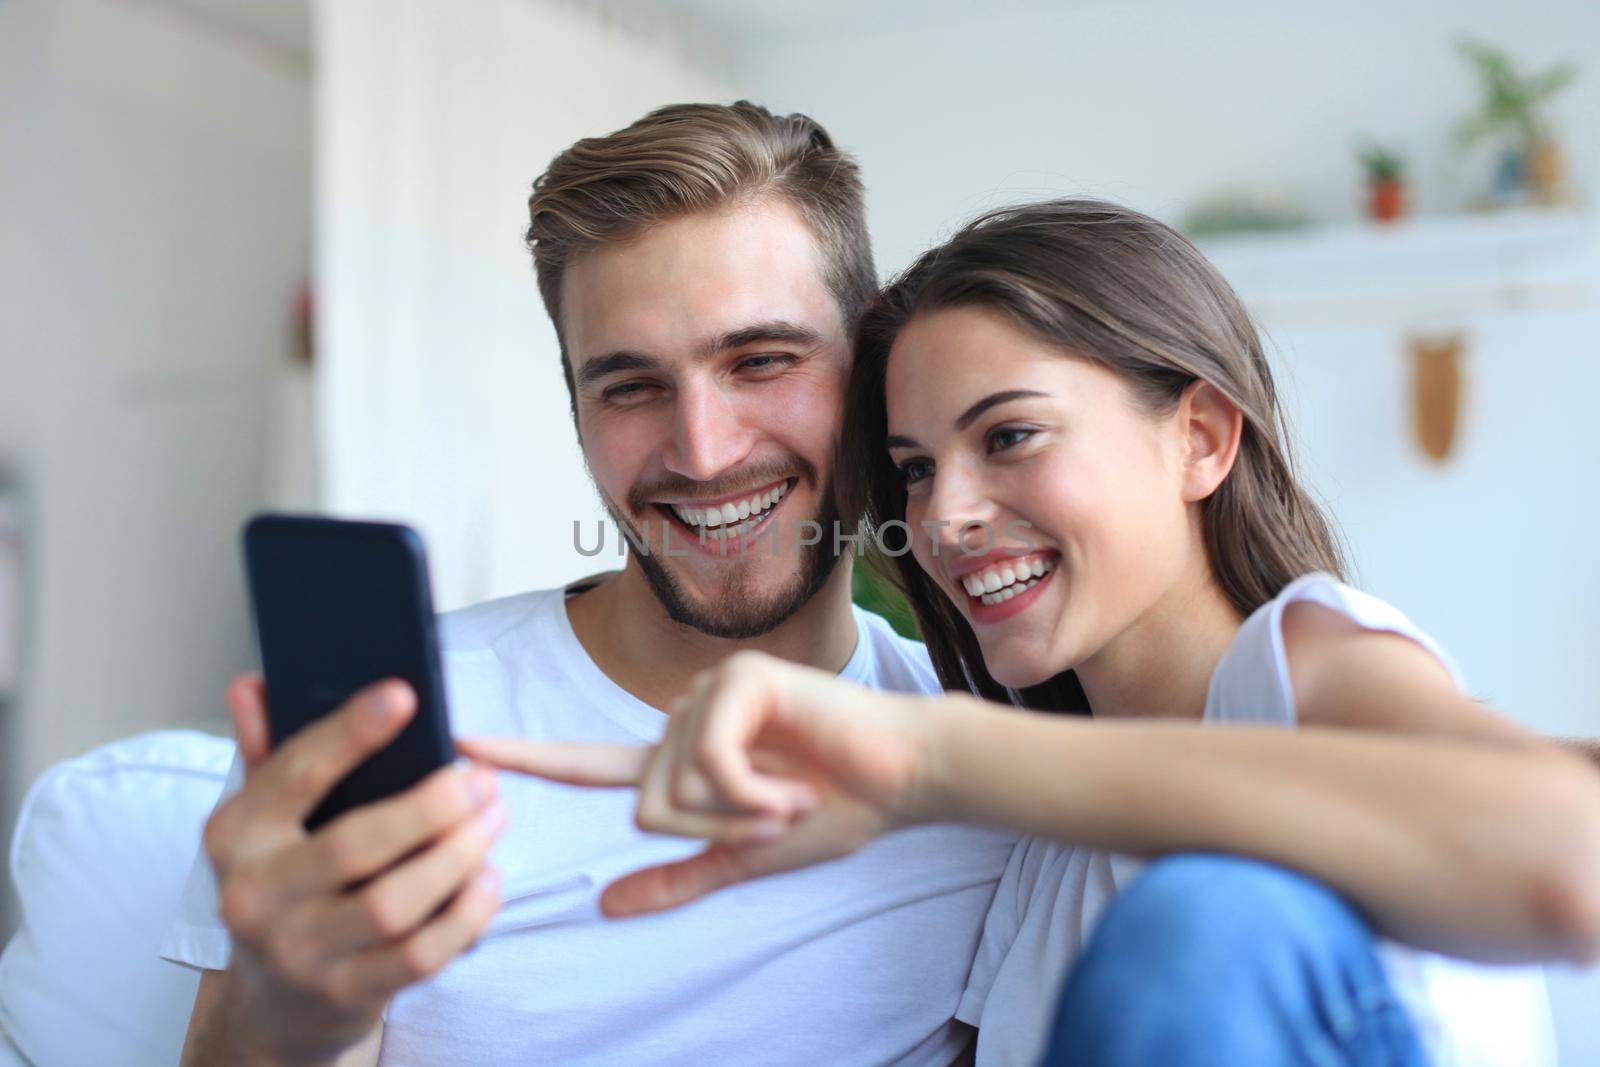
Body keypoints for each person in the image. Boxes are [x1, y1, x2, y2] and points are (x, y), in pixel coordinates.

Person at [461, 200, 1600, 1066]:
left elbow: (1573, 853)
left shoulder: (1298, 660)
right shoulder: (1035, 855)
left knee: (1212, 915)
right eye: (911, 467)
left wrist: (936, 763)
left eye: (1009, 437)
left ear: (1200, 436)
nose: (942, 515)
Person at [167, 103, 1020, 1065]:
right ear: (575, 403)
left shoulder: (993, 752)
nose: (704, 453)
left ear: (871, 368)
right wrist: (288, 1017)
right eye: (630, 385)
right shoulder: (390, 720)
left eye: (762, 360)